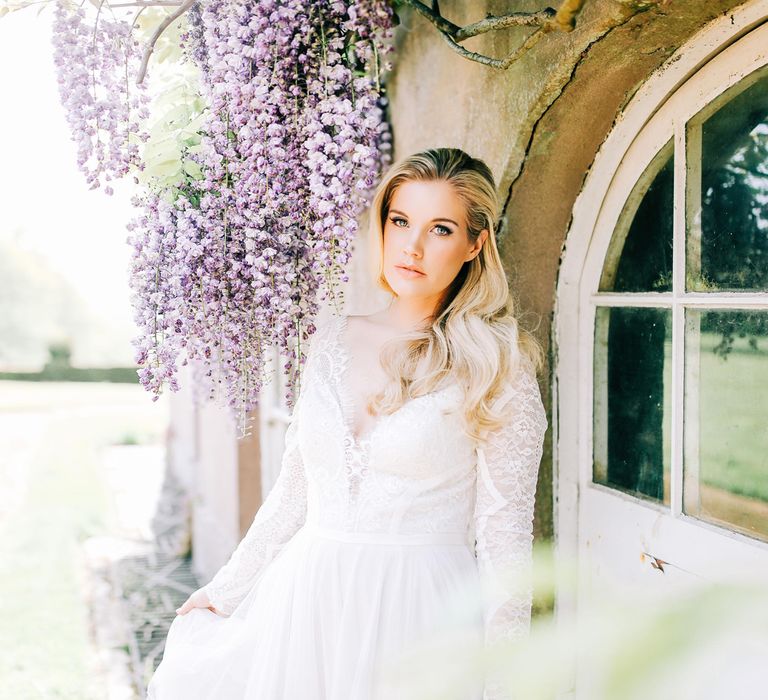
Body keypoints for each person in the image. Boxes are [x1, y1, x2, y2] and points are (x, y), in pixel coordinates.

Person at [146, 147, 548, 700]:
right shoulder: (332, 338)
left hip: (422, 613)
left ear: (475, 244)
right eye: (400, 220)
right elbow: (295, 489)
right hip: (308, 599)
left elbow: (505, 536)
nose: (411, 246)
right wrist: (226, 590)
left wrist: (509, 681)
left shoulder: (498, 363)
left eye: (441, 229)